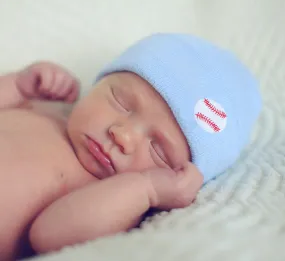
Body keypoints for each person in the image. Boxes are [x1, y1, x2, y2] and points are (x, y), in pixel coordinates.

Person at [0, 33, 261, 260]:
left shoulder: (114, 195)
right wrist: (18, 86)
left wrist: (148, 189)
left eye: (158, 149)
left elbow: (49, 236)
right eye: (120, 101)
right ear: (99, 82)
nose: (122, 136)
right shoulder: (49, 107)